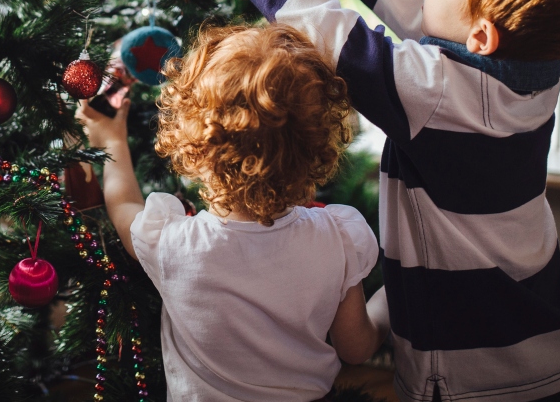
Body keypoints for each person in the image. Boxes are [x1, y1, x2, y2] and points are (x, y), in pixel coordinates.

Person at [155, 0, 560, 402]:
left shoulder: (438, 97)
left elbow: (324, 26)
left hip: (491, 383)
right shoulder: (529, 72)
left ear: (481, 35)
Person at [77, 22, 386, 402]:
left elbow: (123, 203)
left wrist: (111, 139)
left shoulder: (174, 244)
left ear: (196, 147)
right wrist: (389, 304)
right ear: (316, 147)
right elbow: (356, 347)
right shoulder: (337, 238)